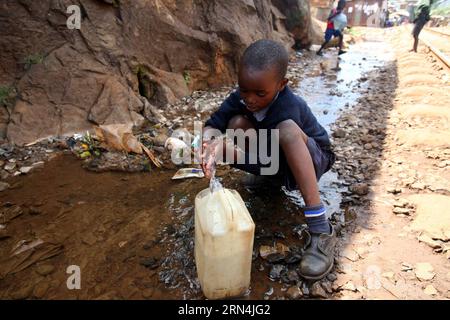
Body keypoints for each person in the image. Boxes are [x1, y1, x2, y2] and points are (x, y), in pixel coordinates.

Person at [201, 39, 337, 280]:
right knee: (236, 123)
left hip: (313, 158)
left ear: (282, 84)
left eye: (260, 93)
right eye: (244, 90)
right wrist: (208, 144)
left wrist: (230, 154)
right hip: (275, 156)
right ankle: (270, 181)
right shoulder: (241, 98)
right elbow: (214, 124)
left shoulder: (288, 107)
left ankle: (321, 230)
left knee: (286, 130)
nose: (250, 99)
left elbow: (273, 159)